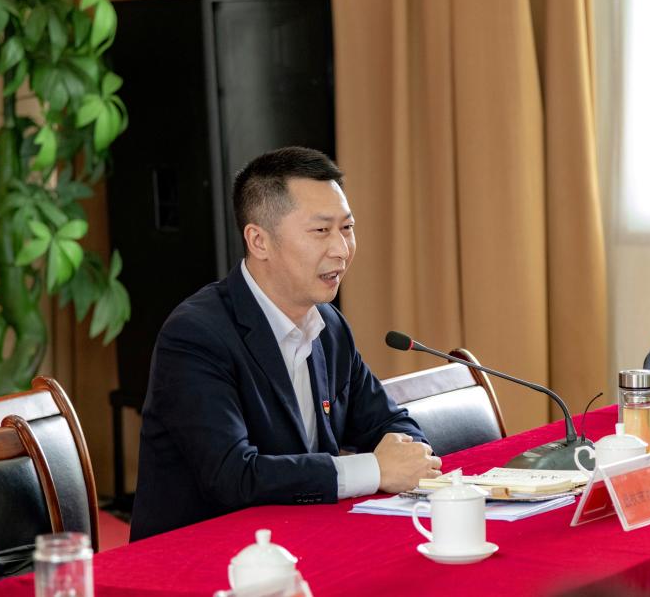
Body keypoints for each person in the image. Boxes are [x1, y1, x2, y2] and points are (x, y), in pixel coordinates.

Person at [130, 146, 441, 540]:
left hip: (298, 539)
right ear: (259, 241)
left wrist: (409, 454)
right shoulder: (196, 335)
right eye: (321, 231)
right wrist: (373, 470)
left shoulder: (329, 325)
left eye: (347, 228)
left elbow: (387, 422)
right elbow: (233, 476)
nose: (341, 249)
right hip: (199, 554)